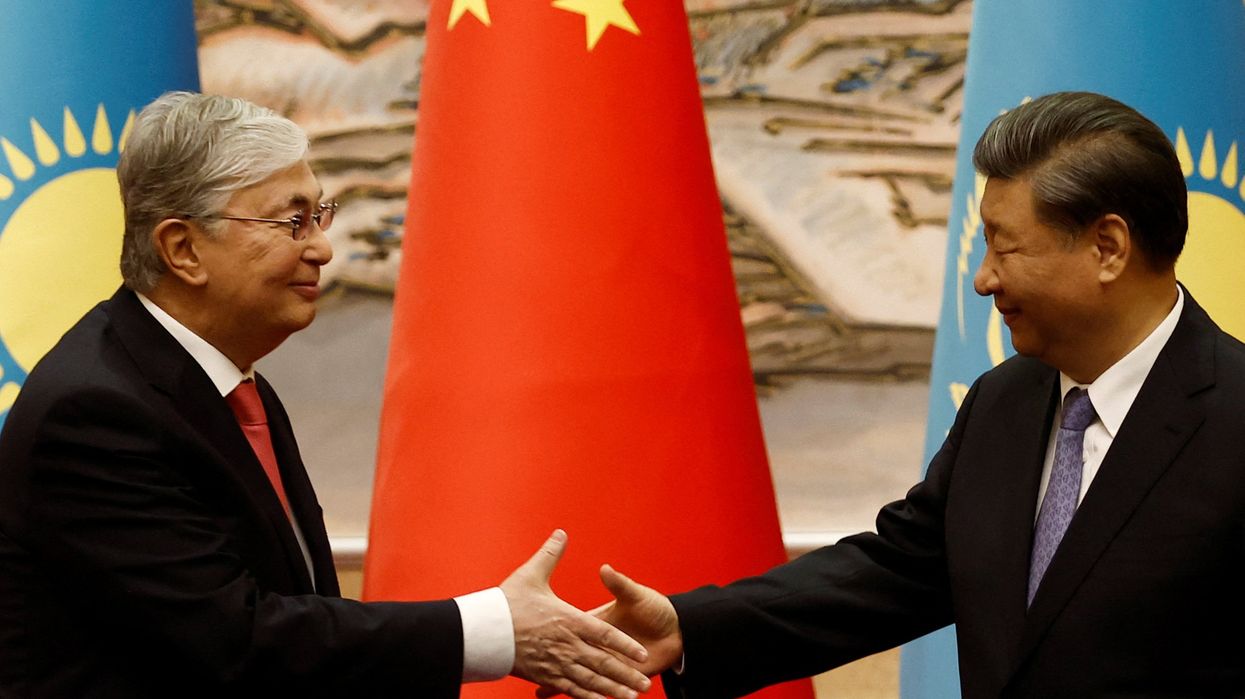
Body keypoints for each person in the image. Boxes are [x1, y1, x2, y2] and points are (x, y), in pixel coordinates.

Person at [590, 91, 1245, 697]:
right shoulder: (1003, 401)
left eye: (1003, 248)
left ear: (1106, 247)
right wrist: (687, 626)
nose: (983, 280)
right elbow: (897, 571)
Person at [0, 91, 651, 699]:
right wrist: (496, 631)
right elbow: (235, 642)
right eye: (292, 221)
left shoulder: (231, 382)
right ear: (183, 248)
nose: (322, 248)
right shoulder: (93, 412)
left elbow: (302, 605)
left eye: (320, 215)